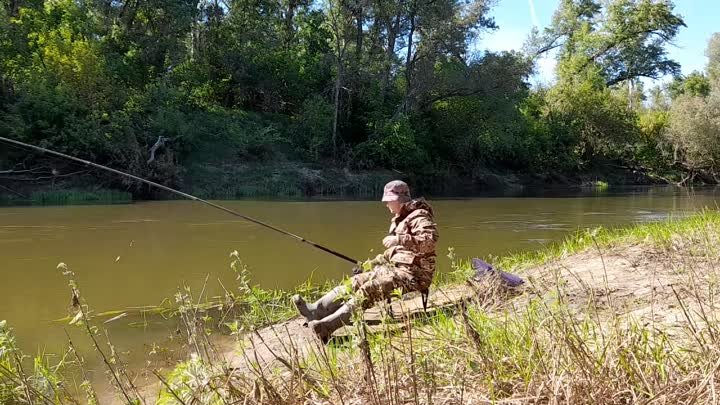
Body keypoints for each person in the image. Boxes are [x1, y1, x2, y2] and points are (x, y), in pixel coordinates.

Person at [293, 180, 438, 343]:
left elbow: (430, 241)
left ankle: (327, 326)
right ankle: (317, 310)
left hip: (415, 275)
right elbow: (395, 254)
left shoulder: (419, 215)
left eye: (388, 201)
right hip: (395, 270)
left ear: (398, 199)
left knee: (370, 288)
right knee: (355, 282)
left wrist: (399, 238)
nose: (386, 205)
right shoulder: (400, 219)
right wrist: (372, 264)